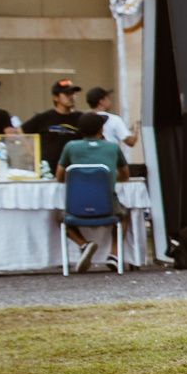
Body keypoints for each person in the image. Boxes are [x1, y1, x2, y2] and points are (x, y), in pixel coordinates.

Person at [55, 111, 127, 269]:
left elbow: (59, 176)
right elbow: (125, 175)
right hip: (108, 207)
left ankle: (84, 244)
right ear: (101, 130)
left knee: (59, 217)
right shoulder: (112, 147)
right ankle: (114, 255)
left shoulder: (71, 147)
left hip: (76, 208)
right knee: (123, 216)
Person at [22, 78, 87, 172]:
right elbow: (21, 132)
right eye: (67, 94)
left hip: (73, 170)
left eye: (73, 94)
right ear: (55, 97)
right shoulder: (44, 117)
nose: (71, 97)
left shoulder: (81, 118)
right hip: (47, 171)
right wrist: (33, 153)